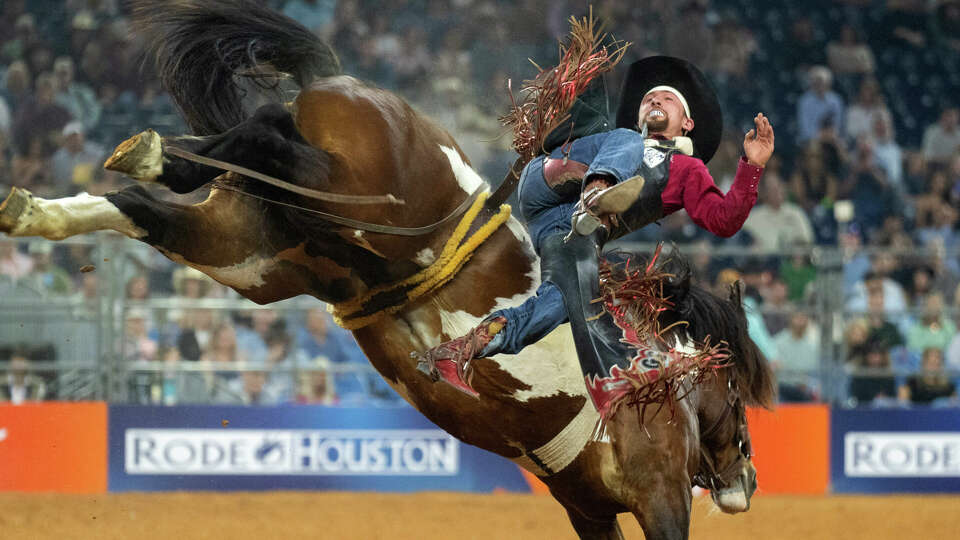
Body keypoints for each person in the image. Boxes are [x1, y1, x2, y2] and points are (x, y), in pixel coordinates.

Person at [416, 56, 774, 410]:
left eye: (666, 99)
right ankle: (598, 191)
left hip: (563, 227)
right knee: (628, 142)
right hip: (551, 180)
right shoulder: (624, 138)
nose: (653, 100)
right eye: (649, 98)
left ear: (687, 122)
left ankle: (462, 350)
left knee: (568, 299)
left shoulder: (689, 169)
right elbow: (616, 138)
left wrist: (752, 166)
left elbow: (724, 221)